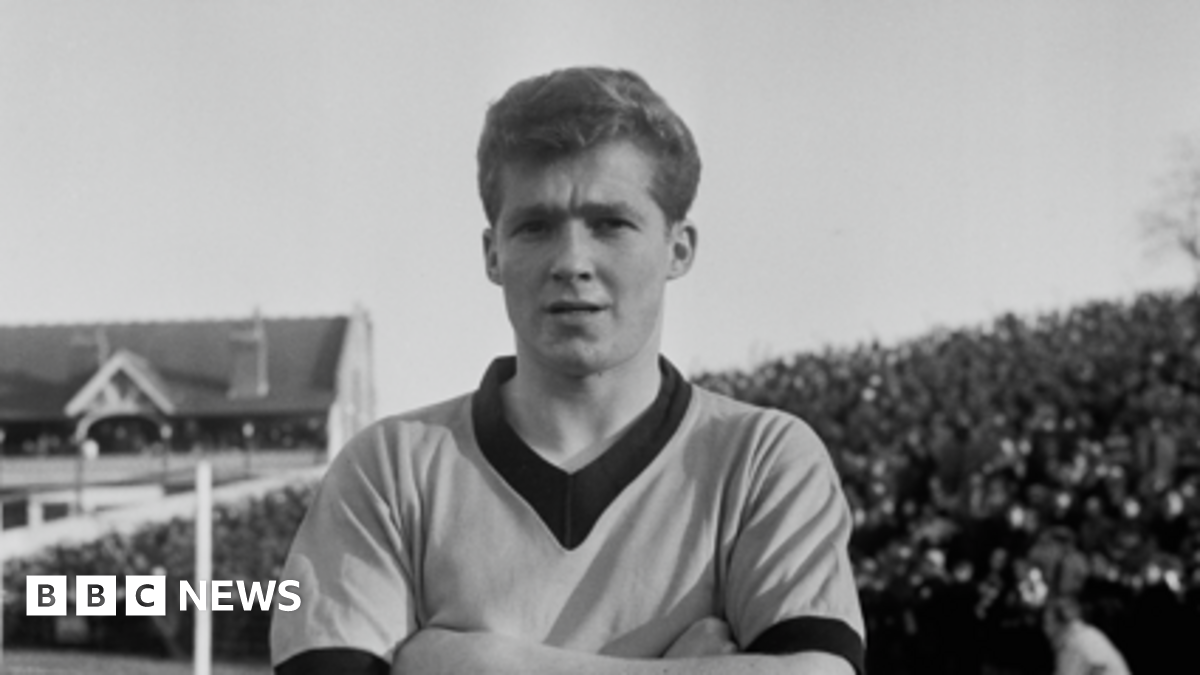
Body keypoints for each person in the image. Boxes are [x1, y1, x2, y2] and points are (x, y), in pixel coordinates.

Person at [270, 66, 865, 675]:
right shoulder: (387, 471)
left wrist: (482, 662)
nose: (572, 261)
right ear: (493, 254)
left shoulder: (764, 460)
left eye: (611, 225)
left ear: (679, 248)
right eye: (536, 227)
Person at [1042, 597, 1130, 675]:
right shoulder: (1087, 633)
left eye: (1047, 623)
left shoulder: (1073, 641)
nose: (1045, 629)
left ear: (1061, 623)